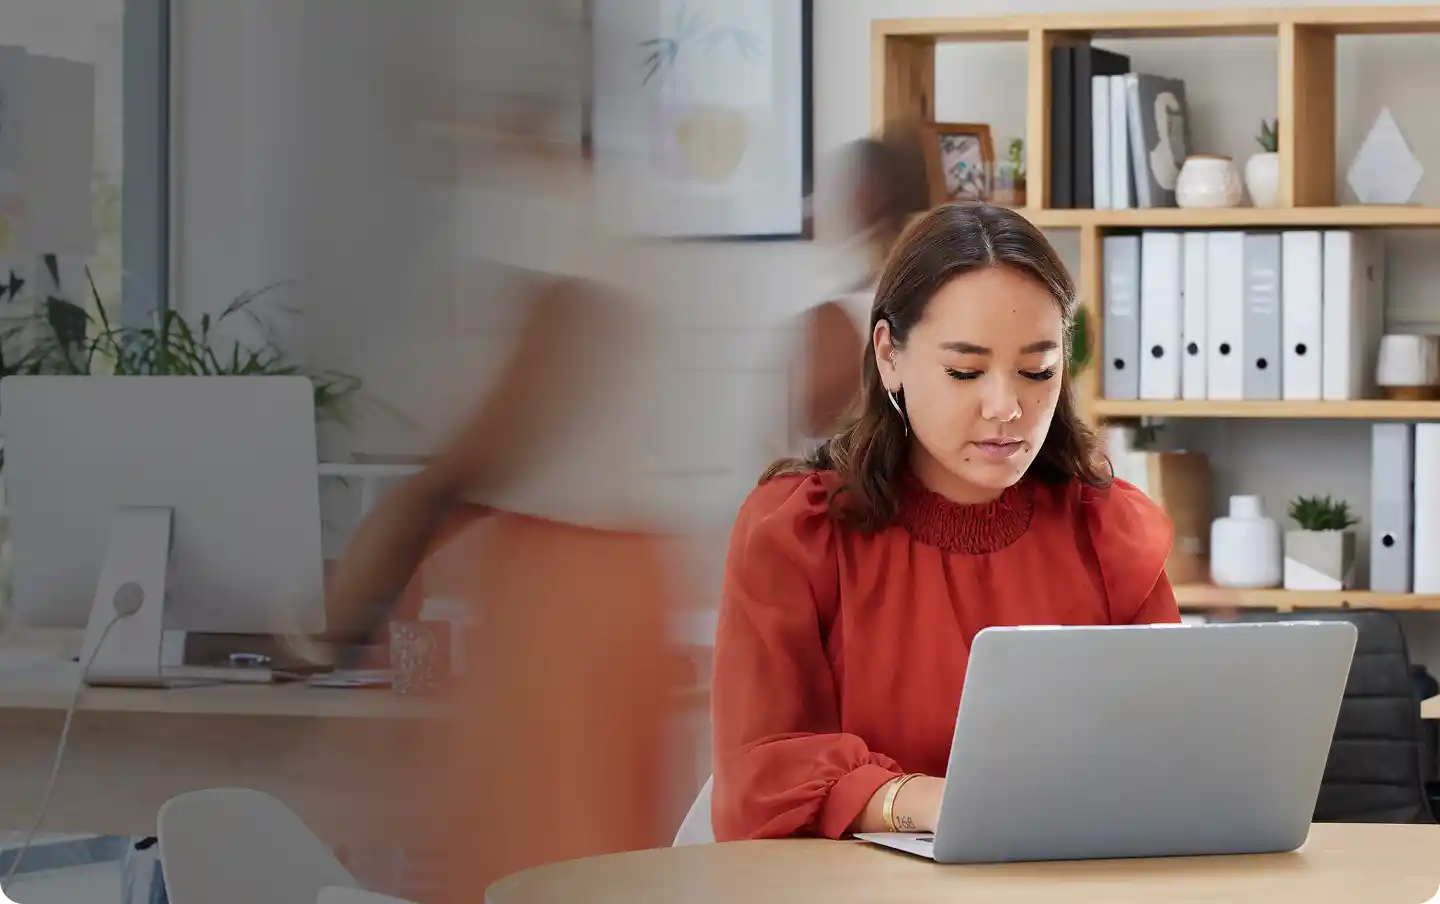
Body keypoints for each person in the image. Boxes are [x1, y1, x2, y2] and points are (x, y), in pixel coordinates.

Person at [710, 202, 1180, 843]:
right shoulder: (800, 534)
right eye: (965, 370)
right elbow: (756, 781)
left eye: (1037, 371)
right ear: (889, 356)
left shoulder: (1107, 531)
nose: (1006, 406)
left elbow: (1172, 753)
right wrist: (928, 802)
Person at [791, 126, 932, 444]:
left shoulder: (838, 321)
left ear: (866, 198)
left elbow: (801, 443)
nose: (818, 204)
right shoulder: (930, 299)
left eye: (833, 189)